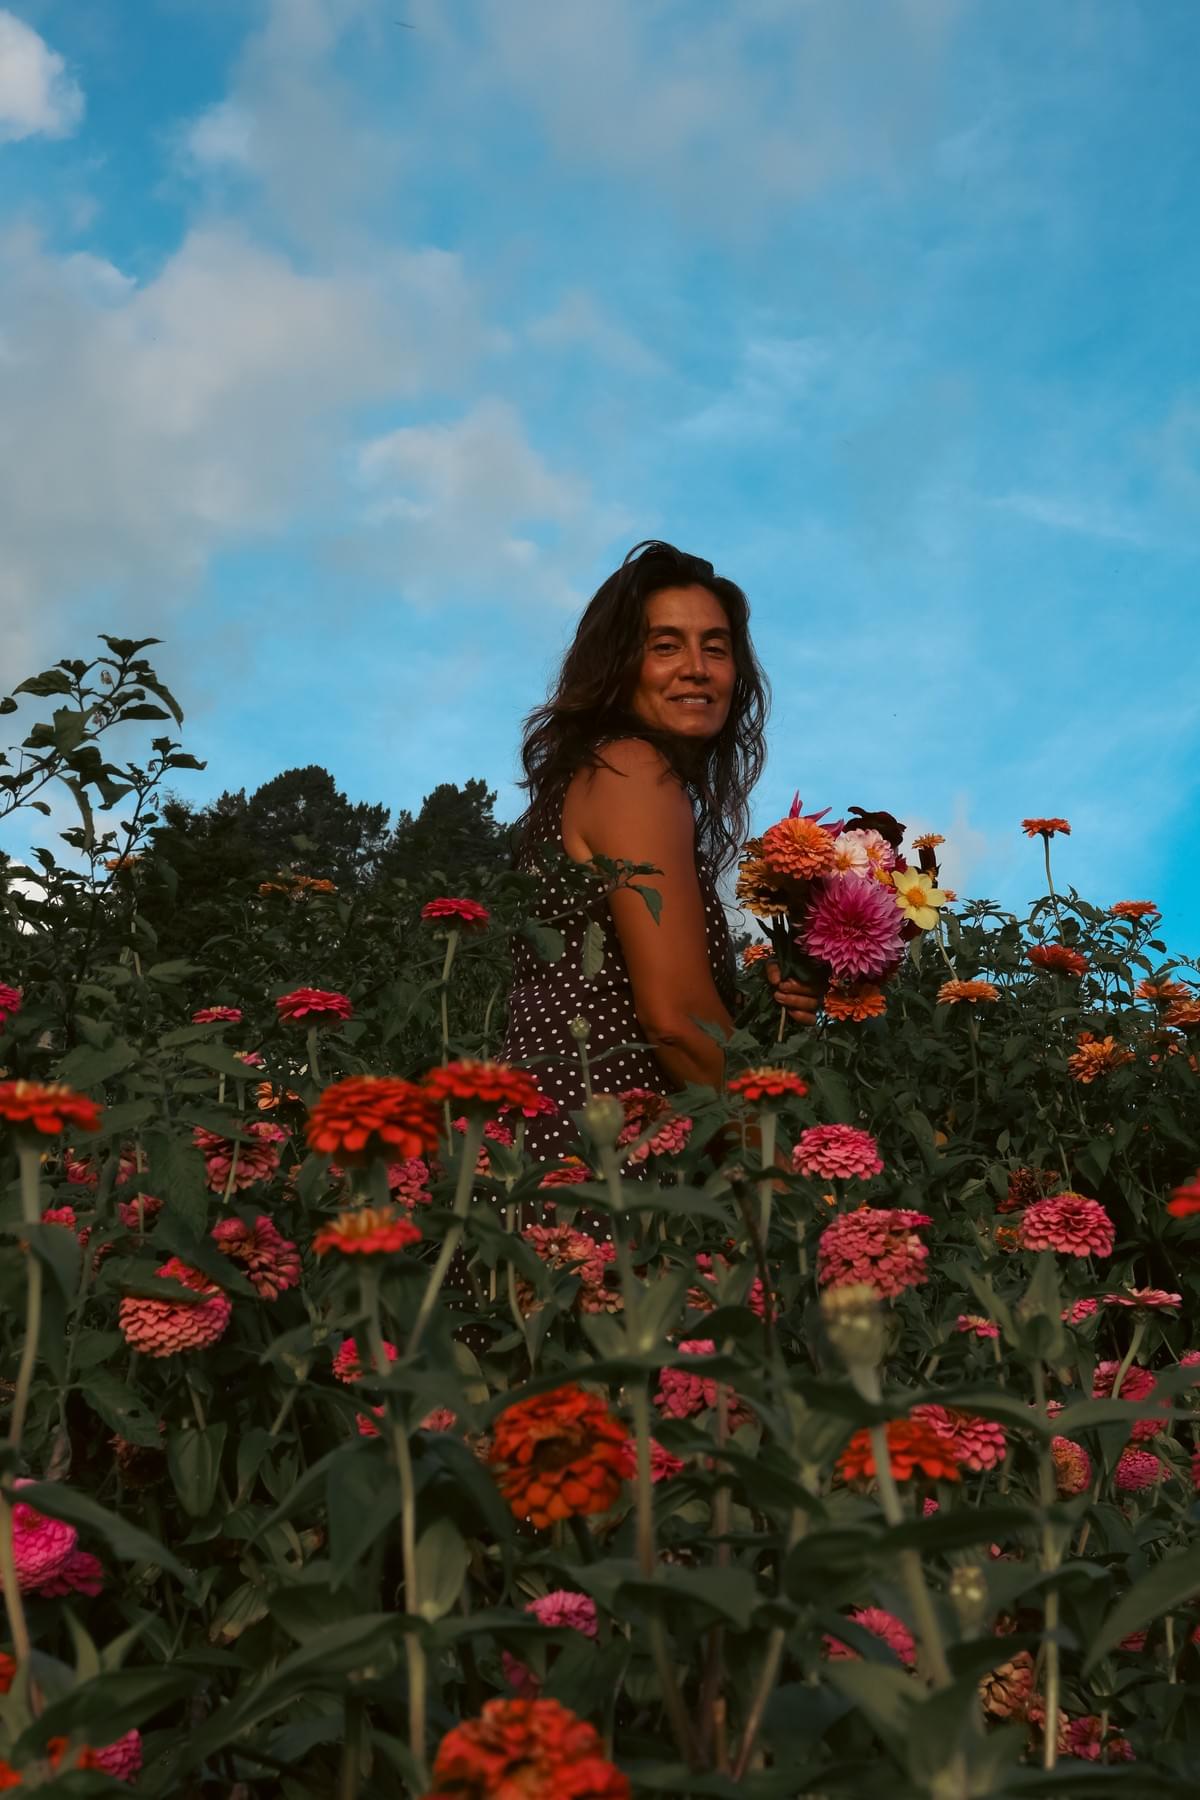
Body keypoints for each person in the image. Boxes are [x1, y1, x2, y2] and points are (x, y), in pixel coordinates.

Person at [501, 540, 817, 1188]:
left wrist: (768, 1005)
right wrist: (784, 1169)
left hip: (558, 1143)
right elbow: (673, 1019)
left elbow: (632, 989)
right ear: (620, 666)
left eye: (716, 646)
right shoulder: (633, 770)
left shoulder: (599, 774)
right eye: (665, 645)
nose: (697, 669)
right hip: (606, 1156)